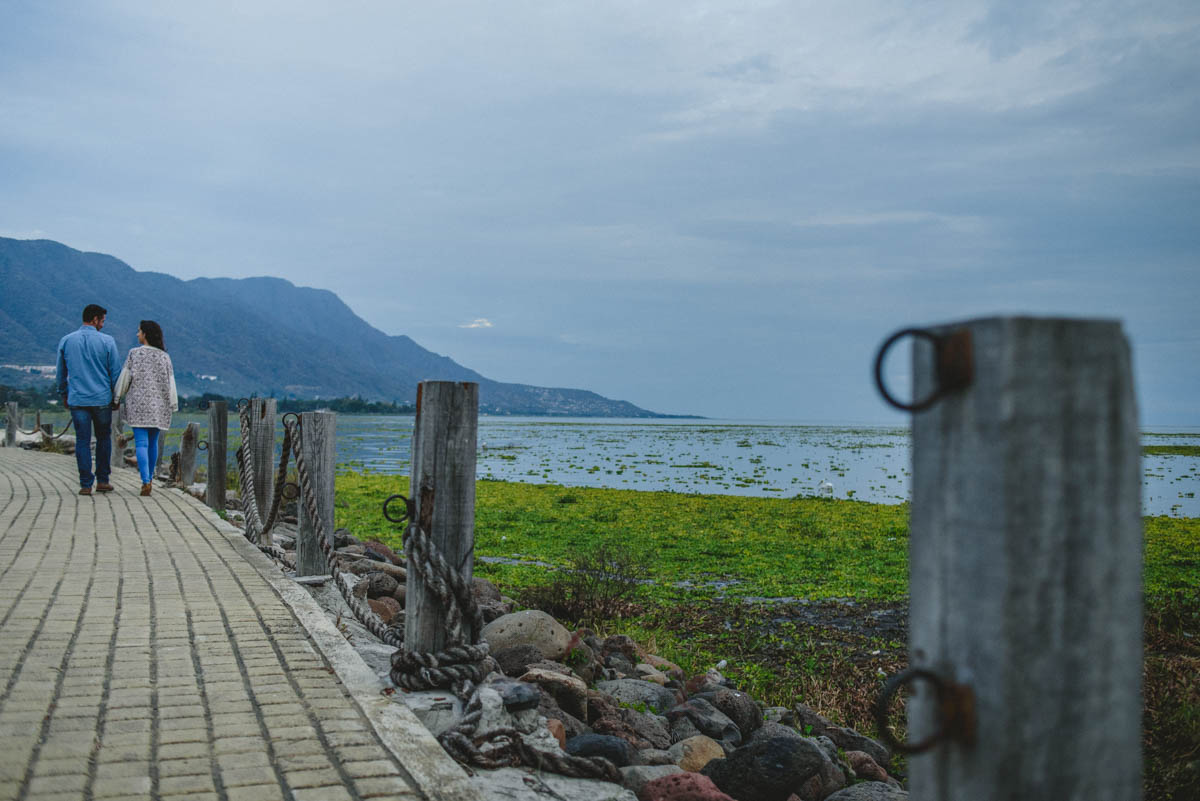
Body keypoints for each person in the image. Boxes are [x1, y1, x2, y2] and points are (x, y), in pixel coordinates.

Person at [56, 303, 121, 495]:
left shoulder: (66, 341)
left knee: (82, 441)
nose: (103, 324)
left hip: (78, 400)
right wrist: (116, 398)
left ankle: (85, 484)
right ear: (95, 319)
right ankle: (102, 480)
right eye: (102, 321)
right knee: (103, 439)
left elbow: (61, 373)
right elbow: (115, 373)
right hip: (102, 400)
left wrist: (64, 394)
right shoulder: (108, 341)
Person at [114, 320, 178, 496]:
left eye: (139, 331)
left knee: (141, 443)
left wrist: (117, 397)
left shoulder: (134, 354)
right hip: (159, 406)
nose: (137, 334)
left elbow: (125, 378)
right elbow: (170, 382)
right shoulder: (165, 357)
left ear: (145, 334)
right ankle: (150, 477)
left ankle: (145, 481)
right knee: (153, 444)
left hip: (138, 404)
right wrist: (172, 404)